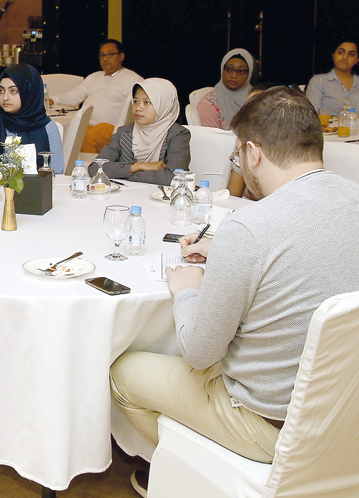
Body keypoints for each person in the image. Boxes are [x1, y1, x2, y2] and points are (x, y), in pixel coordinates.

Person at [110, 86, 359, 495]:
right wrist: (224, 249)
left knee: (124, 374)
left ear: (253, 153)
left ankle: (193, 475)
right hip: (345, 414)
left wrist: (188, 290)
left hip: (272, 426)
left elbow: (199, 351)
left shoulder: (250, 229)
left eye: (237, 156)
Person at [48, 39, 143, 153]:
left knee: (84, 137)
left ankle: (89, 168)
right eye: (102, 55)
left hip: (111, 129)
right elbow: (74, 95)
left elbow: (143, 103)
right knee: (60, 131)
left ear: (121, 56)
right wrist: (54, 100)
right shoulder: (94, 77)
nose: (105, 58)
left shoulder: (132, 79)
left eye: (110, 54)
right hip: (86, 125)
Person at [89, 78, 190, 185]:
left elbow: (172, 177)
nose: (138, 108)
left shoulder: (178, 135)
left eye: (147, 102)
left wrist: (125, 174)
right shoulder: (124, 132)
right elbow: (95, 168)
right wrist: (137, 166)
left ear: (164, 105)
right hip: (127, 196)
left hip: (163, 198)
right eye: (136, 101)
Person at [0, 64, 64, 173]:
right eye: (1, 91)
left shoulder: (47, 128)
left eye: (13, 91)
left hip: (38, 189)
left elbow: (57, 174)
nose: (5, 97)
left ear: (29, 92)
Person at [196, 48, 254, 130]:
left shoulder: (258, 100)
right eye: (229, 69)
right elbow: (212, 140)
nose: (234, 75)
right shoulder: (209, 105)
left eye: (241, 71)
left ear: (249, 74)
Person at [305, 39, 359, 117]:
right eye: (341, 52)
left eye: (351, 54)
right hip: (325, 128)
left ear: (357, 60)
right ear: (333, 55)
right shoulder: (318, 81)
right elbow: (311, 117)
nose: (345, 57)